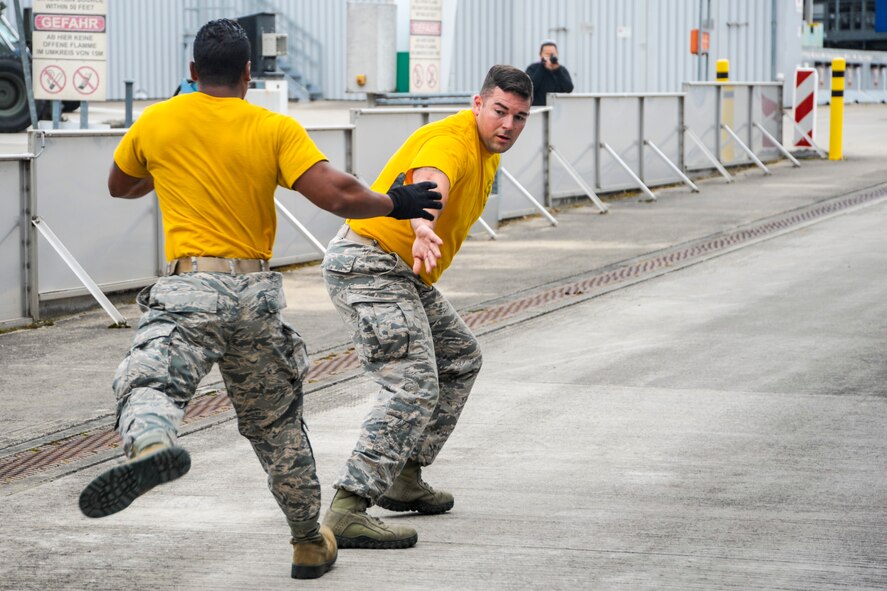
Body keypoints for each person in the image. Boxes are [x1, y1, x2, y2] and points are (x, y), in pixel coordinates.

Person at [76, 18, 442, 580]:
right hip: (255, 296)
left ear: (193, 71)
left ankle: (152, 442)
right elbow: (338, 195)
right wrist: (395, 203)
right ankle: (307, 542)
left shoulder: (157, 121)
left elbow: (120, 186)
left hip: (190, 289)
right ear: (250, 73)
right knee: (277, 426)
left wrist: (166, 154)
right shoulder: (273, 127)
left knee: (151, 380)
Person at [320, 64, 533, 549]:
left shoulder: (488, 150)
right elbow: (431, 179)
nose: (508, 125)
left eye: (520, 117)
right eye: (500, 111)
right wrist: (422, 223)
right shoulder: (454, 138)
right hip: (368, 263)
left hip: (399, 271)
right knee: (412, 383)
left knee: (460, 357)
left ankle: (403, 476)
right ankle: (348, 507)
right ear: (478, 104)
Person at [525, 40, 574, 106]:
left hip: (557, 109)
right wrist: (542, 67)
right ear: (541, 55)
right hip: (538, 109)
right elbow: (529, 88)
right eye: (547, 54)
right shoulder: (533, 68)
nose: (550, 56)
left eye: (553, 54)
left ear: (557, 54)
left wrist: (557, 70)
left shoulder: (561, 69)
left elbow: (569, 89)